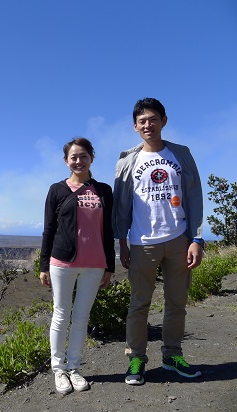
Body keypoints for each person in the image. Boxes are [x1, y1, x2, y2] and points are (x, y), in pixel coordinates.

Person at [112, 97, 204, 386]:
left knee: (177, 303)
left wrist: (197, 238)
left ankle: (172, 355)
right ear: (134, 126)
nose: (147, 125)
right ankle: (136, 358)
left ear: (164, 121)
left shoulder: (182, 154)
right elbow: (121, 205)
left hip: (179, 239)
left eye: (153, 119)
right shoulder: (128, 160)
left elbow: (195, 196)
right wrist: (122, 242)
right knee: (139, 305)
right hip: (141, 243)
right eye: (142, 121)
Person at [39, 137, 115, 395]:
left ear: (91, 158)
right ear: (66, 161)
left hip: (95, 264)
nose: (78, 161)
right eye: (73, 157)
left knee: (81, 318)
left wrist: (109, 266)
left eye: (83, 156)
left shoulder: (103, 190)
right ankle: (58, 369)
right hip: (62, 262)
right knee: (61, 316)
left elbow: (108, 230)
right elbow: (49, 229)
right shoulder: (57, 190)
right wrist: (43, 265)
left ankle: (74, 368)